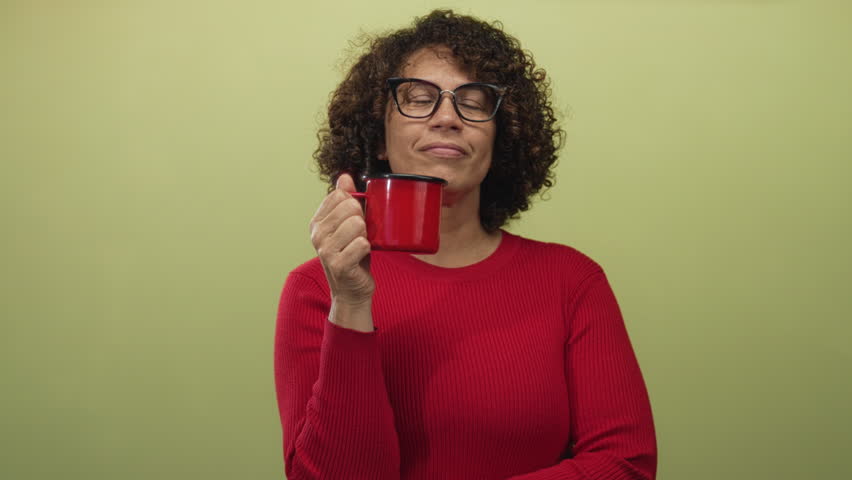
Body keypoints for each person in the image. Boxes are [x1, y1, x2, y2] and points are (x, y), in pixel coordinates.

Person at [274, 9, 657, 480]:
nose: (448, 118)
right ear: (378, 137)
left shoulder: (571, 280)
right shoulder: (316, 290)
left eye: (474, 103)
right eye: (419, 99)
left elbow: (625, 465)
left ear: (503, 137)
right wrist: (351, 304)